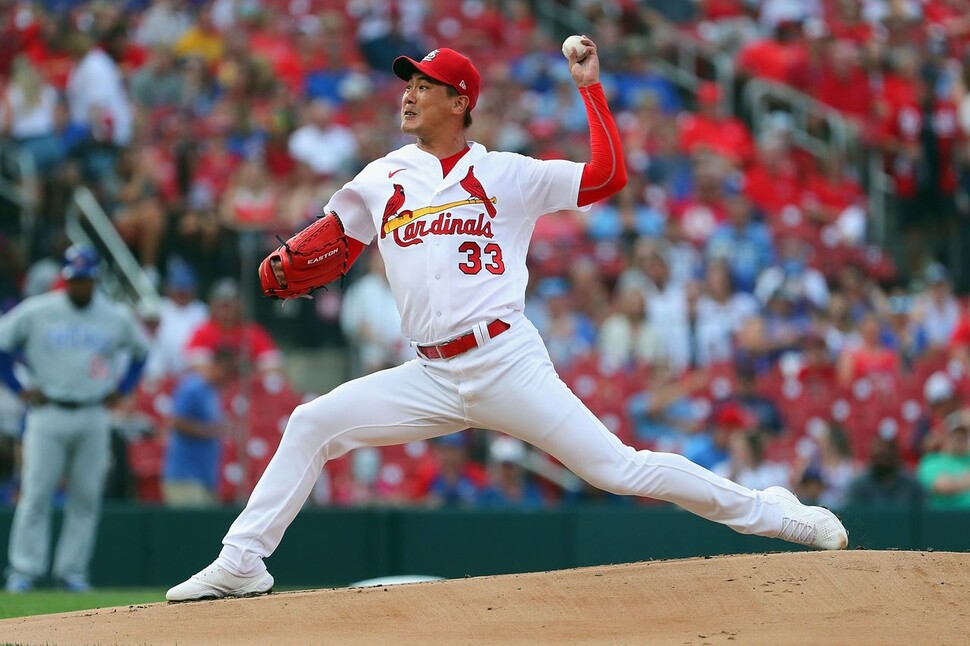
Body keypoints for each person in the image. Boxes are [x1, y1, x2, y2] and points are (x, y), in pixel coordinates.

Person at [166, 38, 847, 602]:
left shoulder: (507, 174)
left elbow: (607, 177)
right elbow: (334, 240)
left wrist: (590, 89)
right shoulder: (383, 177)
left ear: (460, 102)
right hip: (429, 374)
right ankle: (242, 561)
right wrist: (295, 254)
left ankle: (777, 514)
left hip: (505, 361)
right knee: (311, 423)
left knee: (619, 469)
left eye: (425, 86)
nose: (409, 94)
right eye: (408, 84)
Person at [0, 245, 149, 592]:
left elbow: (141, 353)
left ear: (95, 279)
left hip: (94, 411)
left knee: (85, 498)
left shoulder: (114, 315)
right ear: (65, 278)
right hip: (48, 411)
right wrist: (18, 388)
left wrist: (123, 388)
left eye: (85, 278)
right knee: (35, 494)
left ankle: (72, 571)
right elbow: (3, 344)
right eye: (75, 278)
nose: (80, 284)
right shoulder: (38, 310)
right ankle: (23, 571)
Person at [161, 348, 235, 507]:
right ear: (217, 367)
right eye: (227, 371)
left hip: (206, 477)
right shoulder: (193, 388)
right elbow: (176, 422)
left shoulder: (212, 393)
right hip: (185, 476)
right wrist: (210, 431)